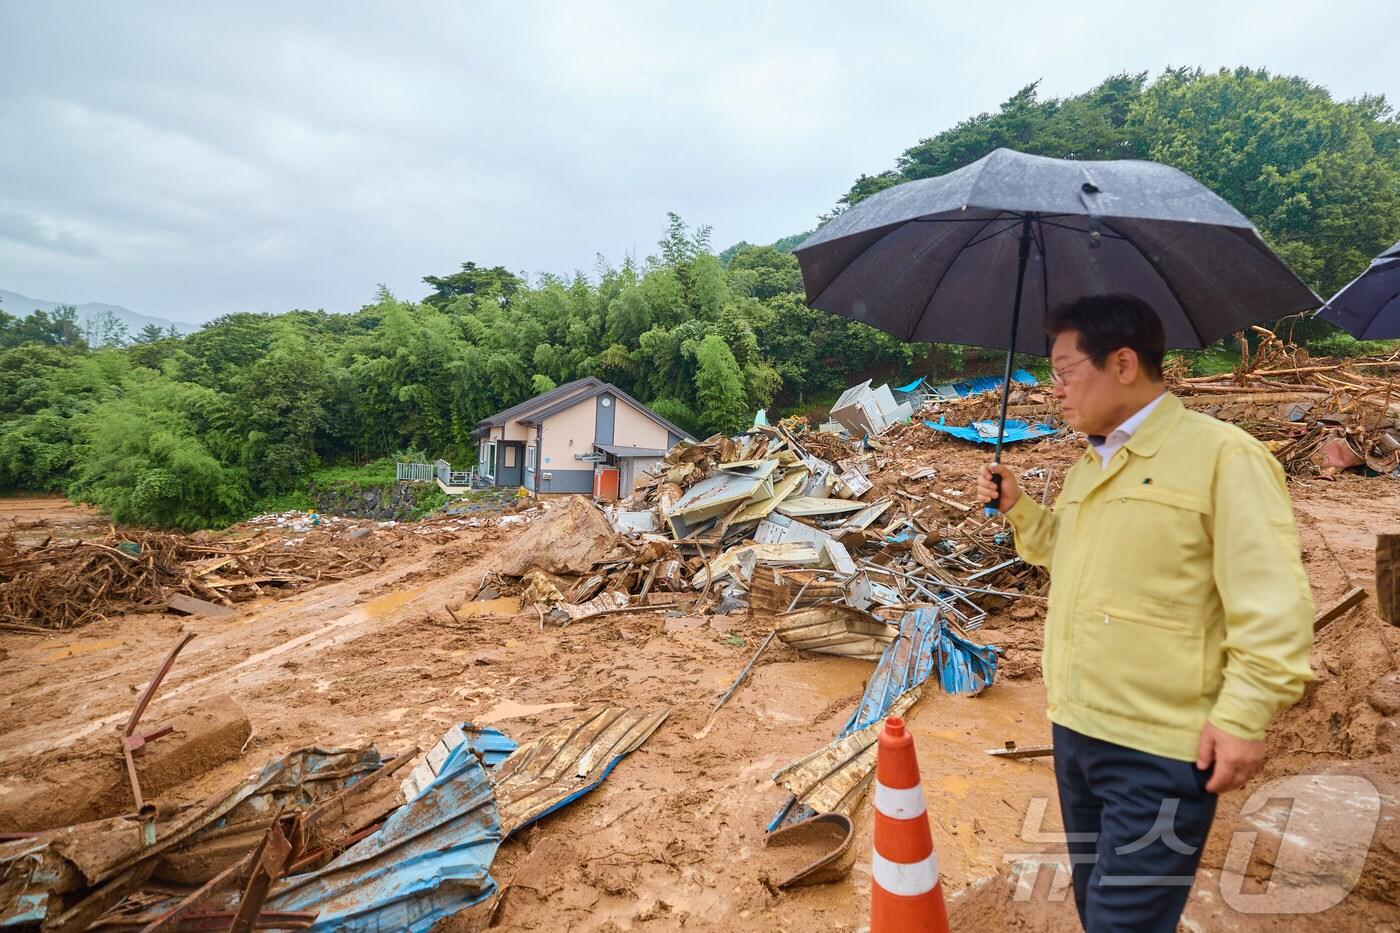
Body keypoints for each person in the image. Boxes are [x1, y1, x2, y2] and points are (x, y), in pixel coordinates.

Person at [976, 294, 1314, 931]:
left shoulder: (1222, 457)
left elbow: (1272, 599)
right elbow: (1066, 554)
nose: (1055, 390)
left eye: (1064, 370)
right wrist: (1019, 507)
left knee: (1123, 922)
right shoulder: (1089, 464)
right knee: (1095, 905)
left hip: (1157, 748)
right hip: (1076, 731)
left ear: (1123, 363)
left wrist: (1244, 714)